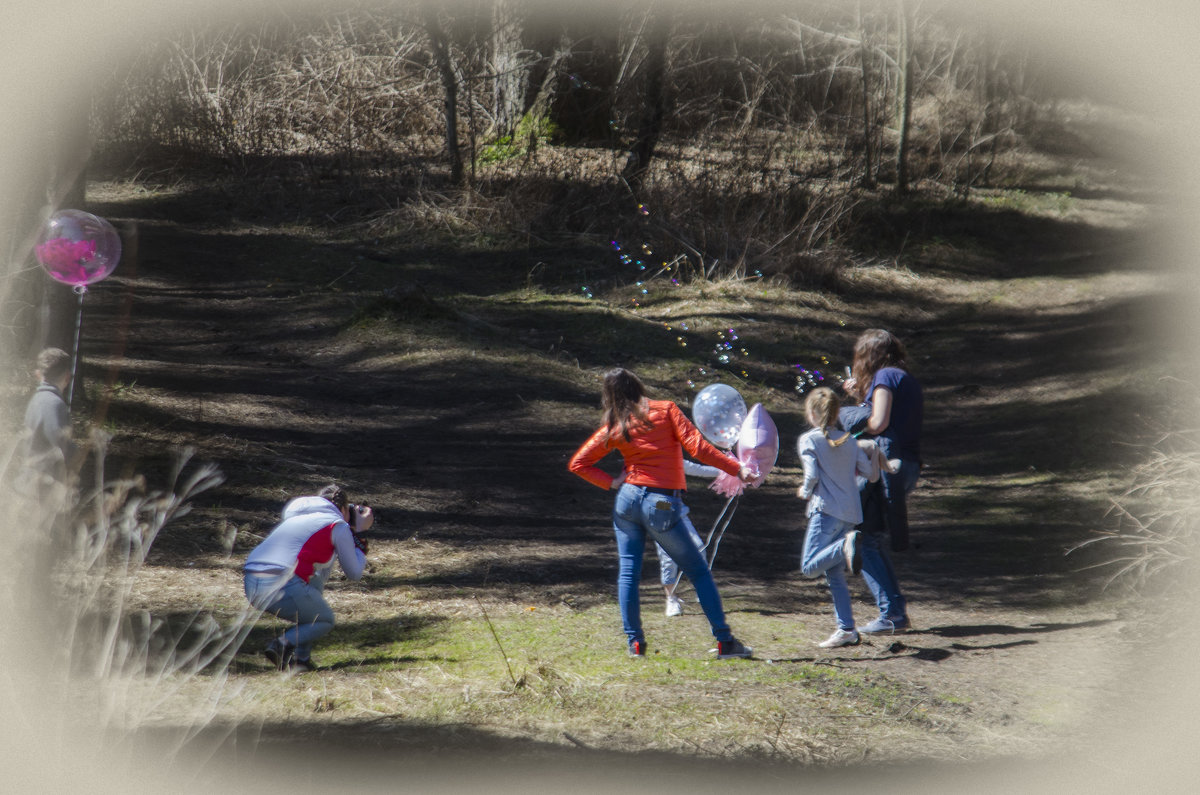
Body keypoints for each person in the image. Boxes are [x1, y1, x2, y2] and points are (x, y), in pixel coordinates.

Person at [568, 368, 755, 659]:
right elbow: (699, 448)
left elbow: (579, 463)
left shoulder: (616, 424)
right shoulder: (665, 409)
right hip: (661, 503)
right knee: (698, 571)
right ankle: (725, 642)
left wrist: (610, 482)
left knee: (628, 573)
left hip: (627, 500)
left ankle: (635, 644)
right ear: (638, 385)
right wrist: (737, 469)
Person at [841, 328, 923, 635]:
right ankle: (894, 612)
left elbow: (879, 422)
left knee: (862, 536)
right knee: (868, 536)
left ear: (869, 355)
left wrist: (849, 415)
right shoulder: (902, 376)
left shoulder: (885, 377)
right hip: (906, 464)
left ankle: (893, 614)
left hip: (889, 465)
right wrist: (861, 396)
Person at [243, 484, 374, 672]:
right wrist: (359, 544)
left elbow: (319, 578)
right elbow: (354, 574)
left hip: (251, 582)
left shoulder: (297, 517)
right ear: (344, 508)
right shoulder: (337, 525)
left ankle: (301, 660)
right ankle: (282, 644)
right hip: (281, 583)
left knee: (314, 587)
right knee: (324, 620)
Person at [796, 387, 879, 648]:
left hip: (826, 511)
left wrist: (804, 490)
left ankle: (846, 546)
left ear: (811, 413)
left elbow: (811, 476)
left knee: (809, 567)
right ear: (835, 414)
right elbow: (871, 475)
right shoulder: (850, 440)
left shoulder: (809, 440)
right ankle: (847, 629)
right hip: (851, 513)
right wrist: (874, 452)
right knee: (834, 574)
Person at [656, 459, 721, 617]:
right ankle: (671, 599)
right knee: (668, 557)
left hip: (678, 512)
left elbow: (699, 469)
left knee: (698, 548)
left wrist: (731, 470)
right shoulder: (647, 460)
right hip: (657, 514)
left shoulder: (674, 458)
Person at [19, 347, 79, 502]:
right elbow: (60, 443)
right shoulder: (55, 404)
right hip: (43, 489)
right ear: (67, 377)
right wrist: (78, 454)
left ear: (38, 375)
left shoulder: (36, 400)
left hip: (29, 481)